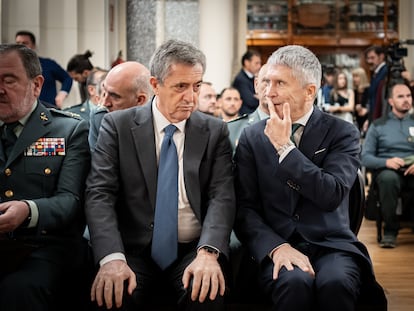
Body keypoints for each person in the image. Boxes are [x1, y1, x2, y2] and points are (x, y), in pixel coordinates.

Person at [84, 39, 235, 310]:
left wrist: (208, 251)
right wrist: (111, 258)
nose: (191, 97)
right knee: (113, 296)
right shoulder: (117, 126)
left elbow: (221, 196)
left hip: (193, 249)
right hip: (132, 251)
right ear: (155, 85)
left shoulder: (214, 131)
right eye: (180, 87)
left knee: (207, 294)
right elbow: (99, 194)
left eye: (197, 86)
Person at [234, 45, 380, 311]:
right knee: (294, 282)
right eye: (267, 82)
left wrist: (285, 149)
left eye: (280, 83)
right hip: (276, 243)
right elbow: (245, 209)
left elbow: (331, 194)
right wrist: (276, 247)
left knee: (335, 283)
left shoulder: (342, 132)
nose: (269, 92)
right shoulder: (251, 136)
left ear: (309, 91)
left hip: (331, 244)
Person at [0, 44, 90, 310]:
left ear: (37, 85)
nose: (0, 89)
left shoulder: (69, 130)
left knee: (18, 291)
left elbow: (70, 201)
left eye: (9, 80)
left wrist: (28, 210)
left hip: (43, 245)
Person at [361, 82, 414, 248]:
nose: (406, 100)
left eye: (408, 96)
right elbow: (364, 157)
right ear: (391, 101)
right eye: (400, 96)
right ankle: (390, 231)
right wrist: (386, 162)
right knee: (388, 179)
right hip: (388, 170)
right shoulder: (378, 125)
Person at [87, 61, 152, 151]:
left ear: (140, 100)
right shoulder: (100, 117)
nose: (105, 103)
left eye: (115, 97)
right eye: (104, 93)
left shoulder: (162, 122)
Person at [15, 30, 73, 108]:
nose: (21, 46)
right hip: (21, 110)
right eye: (18, 43)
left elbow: (67, 78)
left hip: (48, 111)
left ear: (33, 45)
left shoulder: (48, 64)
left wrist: (62, 94)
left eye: (25, 43)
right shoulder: (11, 67)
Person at [227, 63, 270, 151]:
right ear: (256, 85)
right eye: (267, 82)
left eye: (280, 83)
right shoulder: (232, 129)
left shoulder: (299, 129)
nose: (271, 89)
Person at [232, 50, 261, 115]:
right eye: (256, 63)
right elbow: (251, 101)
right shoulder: (241, 79)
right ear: (247, 63)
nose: (259, 66)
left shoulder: (254, 78)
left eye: (259, 63)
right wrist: (260, 97)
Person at [365, 45, 388, 121]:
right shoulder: (376, 73)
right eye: (368, 58)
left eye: (372, 58)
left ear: (381, 56)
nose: (369, 61)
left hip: (381, 116)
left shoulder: (386, 71)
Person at [352, 67, 370, 134]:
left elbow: (375, 105)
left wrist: (367, 110)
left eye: (356, 76)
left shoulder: (369, 89)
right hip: (358, 121)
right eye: (353, 76)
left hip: (368, 119)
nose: (354, 79)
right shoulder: (354, 91)